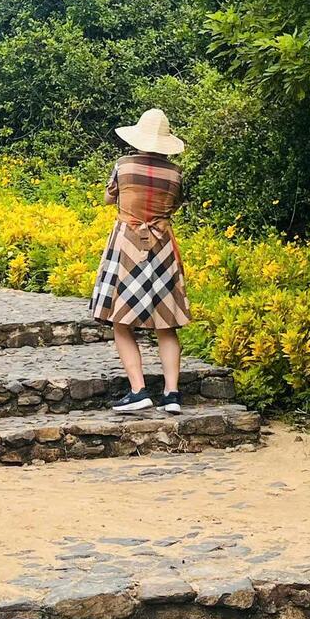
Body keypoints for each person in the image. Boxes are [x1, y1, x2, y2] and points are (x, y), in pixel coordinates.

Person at [89, 108, 191, 414]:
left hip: (128, 243)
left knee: (121, 320)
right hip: (162, 244)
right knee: (166, 323)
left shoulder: (124, 165)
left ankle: (138, 390)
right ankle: (171, 394)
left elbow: (110, 198)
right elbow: (174, 204)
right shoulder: (175, 173)